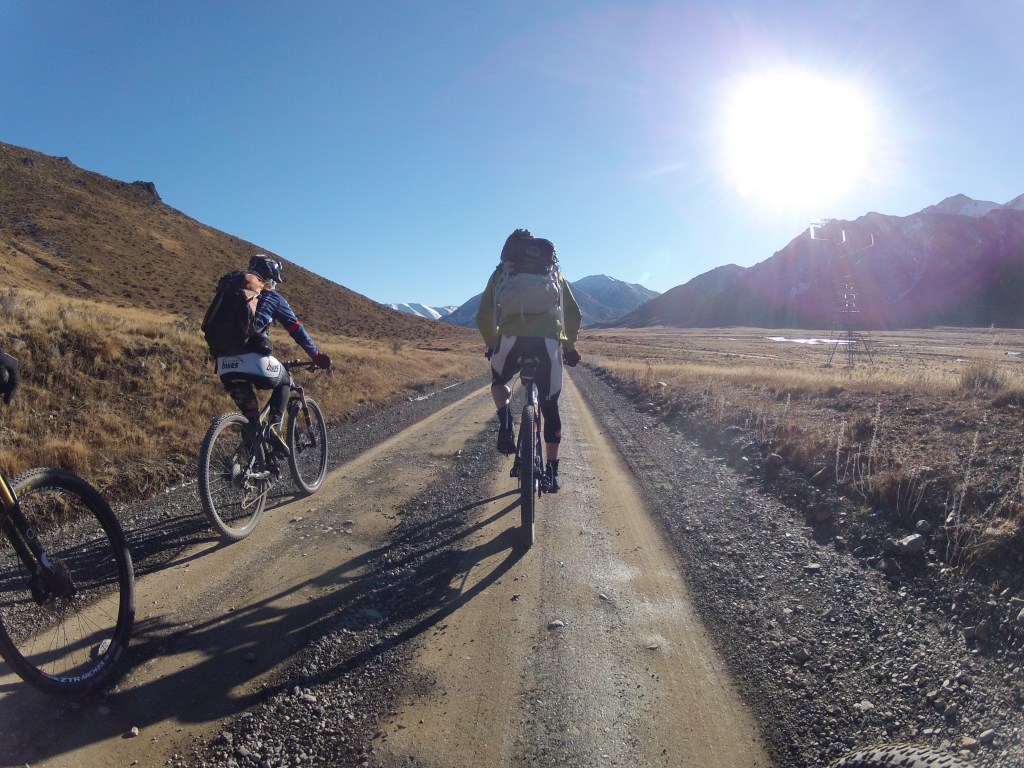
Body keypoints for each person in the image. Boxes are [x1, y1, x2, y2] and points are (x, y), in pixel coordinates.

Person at [476, 229, 582, 492]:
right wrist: (568, 346)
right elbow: (573, 313)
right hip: (547, 342)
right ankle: (553, 472)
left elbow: (483, 315)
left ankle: (506, 422)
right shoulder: (552, 272)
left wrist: (492, 344)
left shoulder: (502, 272)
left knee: (500, 380)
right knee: (550, 405)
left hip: (511, 340)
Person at [214, 254, 332, 454]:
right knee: (285, 381)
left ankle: (250, 468)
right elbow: (296, 330)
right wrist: (316, 355)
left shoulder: (231, 294)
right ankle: (275, 428)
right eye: (274, 281)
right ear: (269, 278)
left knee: (251, 417)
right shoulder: (273, 298)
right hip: (253, 359)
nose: (274, 285)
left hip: (223, 363)